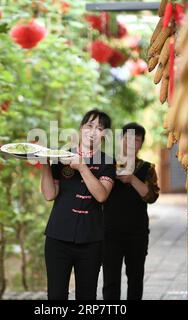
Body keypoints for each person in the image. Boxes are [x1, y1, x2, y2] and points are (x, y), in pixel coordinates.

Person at [40, 109, 116, 300]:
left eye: (99, 128)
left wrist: (82, 167)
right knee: (56, 296)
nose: (93, 131)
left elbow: (101, 196)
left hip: (91, 240)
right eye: (89, 126)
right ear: (81, 129)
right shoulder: (61, 156)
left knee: (87, 296)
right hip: (58, 237)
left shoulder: (108, 162)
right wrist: (45, 164)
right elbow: (50, 195)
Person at [102, 122, 160, 300]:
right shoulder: (108, 165)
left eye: (137, 139)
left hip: (137, 233)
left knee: (135, 279)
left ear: (141, 144)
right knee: (110, 281)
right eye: (128, 138)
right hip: (109, 232)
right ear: (121, 140)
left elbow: (151, 197)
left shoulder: (147, 168)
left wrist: (131, 179)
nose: (132, 143)